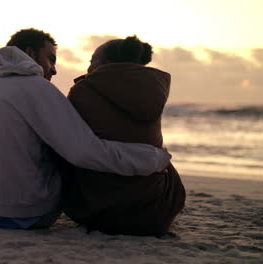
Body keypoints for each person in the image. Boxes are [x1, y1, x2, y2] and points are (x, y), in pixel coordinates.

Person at [0, 29, 172, 230]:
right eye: (51, 59)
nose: (54, 69)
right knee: (73, 149)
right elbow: (85, 153)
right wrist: (153, 158)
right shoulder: (37, 87)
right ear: (30, 53)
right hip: (31, 213)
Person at [62, 35, 186, 236]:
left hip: (97, 210)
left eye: (92, 61)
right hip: (155, 213)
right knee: (162, 160)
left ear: (107, 64)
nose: (89, 67)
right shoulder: (153, 88)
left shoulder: (82, 90)